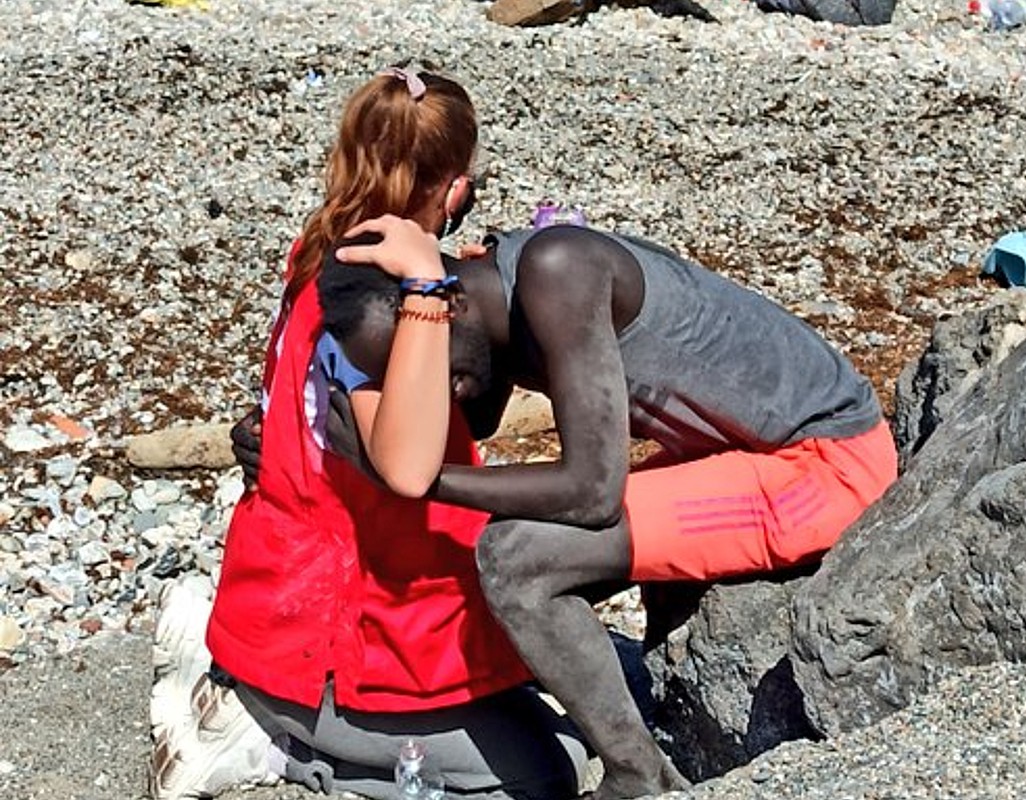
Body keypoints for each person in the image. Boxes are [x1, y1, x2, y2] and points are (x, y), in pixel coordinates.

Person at [312, 219, 900, 799]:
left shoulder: (555, 272)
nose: (434, 389)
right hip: (748, 456)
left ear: (454, 302)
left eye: (421, 364)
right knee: (485, 564)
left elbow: (591, 493)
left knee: (516, 558)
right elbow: (479, 417)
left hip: (824, 466)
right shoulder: (489, 290)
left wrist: (413, 480)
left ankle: (638, 775)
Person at [151, 65, 590, 800]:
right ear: (454, 188)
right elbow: (409, 469)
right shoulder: (386, 303)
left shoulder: (319, 248)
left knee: (577, 732)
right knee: (546, 777)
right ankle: (268, 744)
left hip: (293, 596)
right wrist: (425, 288)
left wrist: (454, 282)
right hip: (328, 641)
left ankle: (240, 675)